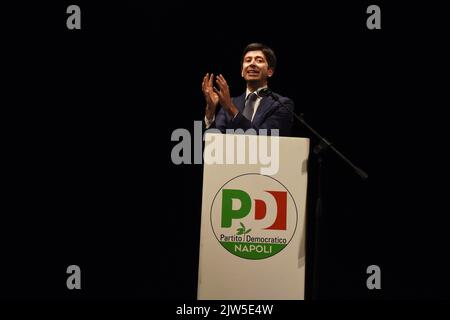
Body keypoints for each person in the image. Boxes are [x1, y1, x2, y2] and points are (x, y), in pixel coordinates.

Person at [202, 43, 294, 136]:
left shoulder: (281, 104)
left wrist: (231, 109)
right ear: (242, 71)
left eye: (259, 60)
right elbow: (214, 142)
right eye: (248, 60)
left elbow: (265, 140)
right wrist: (210, 110)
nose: (252, 63)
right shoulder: (230, 103)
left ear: (270, 71)